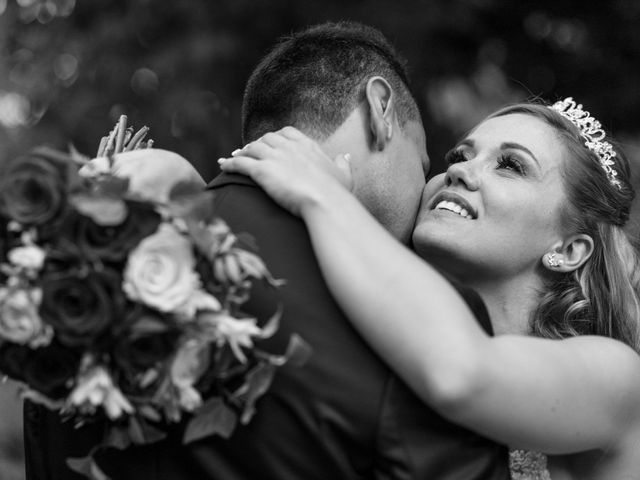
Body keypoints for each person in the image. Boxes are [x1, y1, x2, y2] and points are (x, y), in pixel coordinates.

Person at [23, 22, 509, 479]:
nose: (424, 183)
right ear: (381, 110)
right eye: (421, 157)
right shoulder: (421, 318)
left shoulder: (75, 275)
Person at [217, 97, 640, 478]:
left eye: (510, 165)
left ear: (569, 249)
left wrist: (322, 196)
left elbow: (461, 375)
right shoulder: (377, 332)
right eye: (459, 155)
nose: (458, 170)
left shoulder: (617, 377)